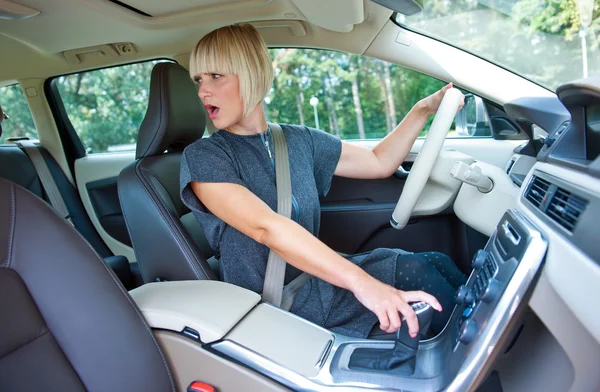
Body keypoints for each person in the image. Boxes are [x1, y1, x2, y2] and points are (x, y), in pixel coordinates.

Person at [180, 23, 467, 339]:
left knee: (436, 262)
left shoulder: (297, 139)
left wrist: (422, 109)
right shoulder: (205, 156)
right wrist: (363, 283)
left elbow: (378, 162)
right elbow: (266, 227)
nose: (202, 91)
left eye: (215, 76)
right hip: (276, 304)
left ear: (252, 73)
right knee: (421, 275)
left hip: (315, 279)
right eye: (198, 80)